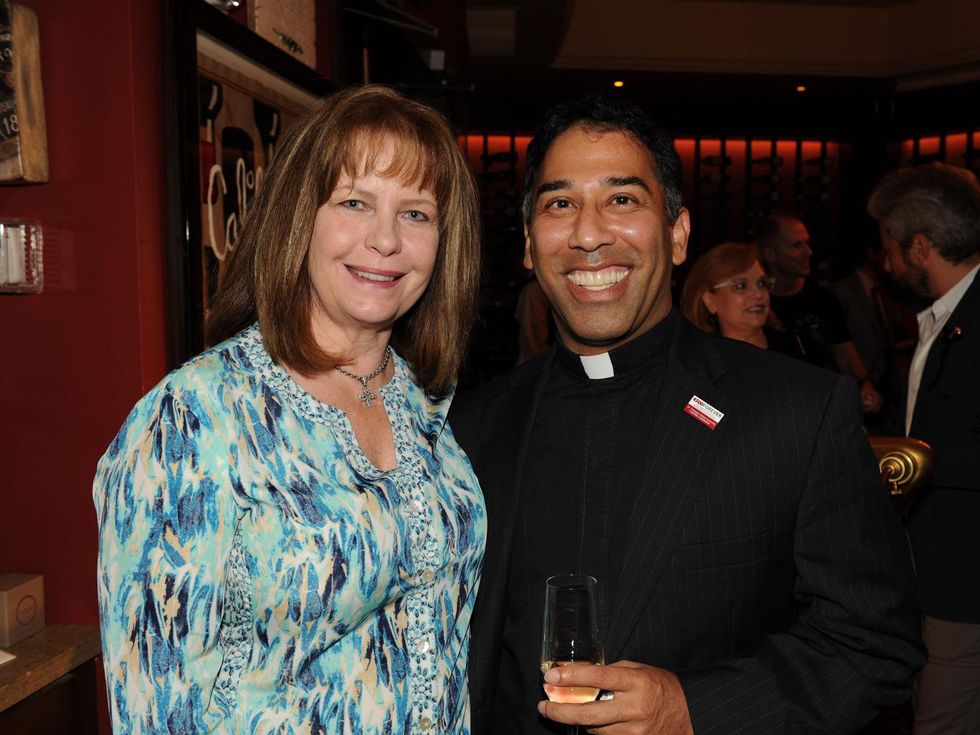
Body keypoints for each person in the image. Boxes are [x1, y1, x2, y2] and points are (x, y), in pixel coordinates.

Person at [449, 95, 924, 734]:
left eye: (622, 200)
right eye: (560, 204)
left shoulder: (797, 413)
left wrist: (695, 709)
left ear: (676, 234)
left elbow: (876, 645)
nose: (589, 234)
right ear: (531, 246)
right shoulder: (471, 427)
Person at [93, 85, 486, 734]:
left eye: (416, 214)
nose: (385, 239)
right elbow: (156, 702)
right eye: (355, 202)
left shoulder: (427, 405)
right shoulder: (194, 420)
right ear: (298, 217)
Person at [868, 162, 980, 735]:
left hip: (964, 579)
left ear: (918, 247)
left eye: (888, 244)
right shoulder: (947, 314)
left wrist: (892, 462)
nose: (881, 259)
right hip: (936, 568)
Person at [757, 213, 884, 414]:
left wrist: (865, 385)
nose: (808, 252)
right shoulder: (757, 304)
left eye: (807, 244)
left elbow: (846, 356)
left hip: (816, 408)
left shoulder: (824, 300)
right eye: (796, 245)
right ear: (771, 254)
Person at [680, 241, 791, 351]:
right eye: (741, 286)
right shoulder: (702, 362)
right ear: (710, 301)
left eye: (762, 284)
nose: (758, 294)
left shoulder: (795, 347)